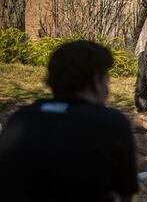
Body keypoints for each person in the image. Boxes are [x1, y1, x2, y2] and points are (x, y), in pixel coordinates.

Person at [0, 41, 138, 202]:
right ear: (96, 80)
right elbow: (126, 194)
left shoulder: (22, 117)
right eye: (106, 78)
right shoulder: (111, 123)